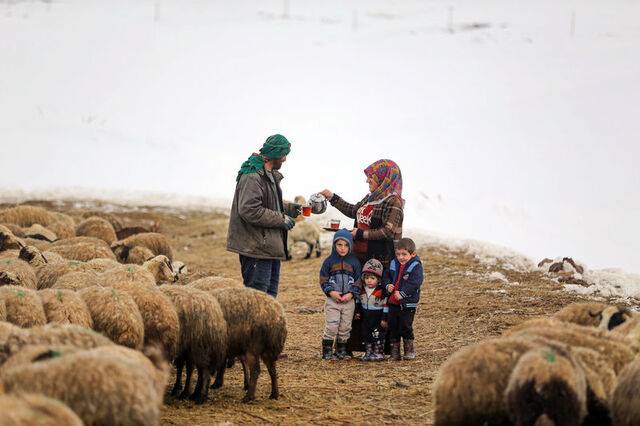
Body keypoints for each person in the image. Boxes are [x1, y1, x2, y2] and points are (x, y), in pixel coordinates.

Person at [320, 159, 404, 353]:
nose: (368, 182)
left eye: (371, 178)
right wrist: (332, 197)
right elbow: (353, 211)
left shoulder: (393, 202)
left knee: (374, 301)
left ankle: (377, 347)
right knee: (356, 300)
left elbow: (387, 232)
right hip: (359, 257)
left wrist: (358, 234)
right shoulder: (371, 198)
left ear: (383, 179)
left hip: (377, 260)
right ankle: (349, 344)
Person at [227, 134, 302, 298]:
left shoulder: (267, 173)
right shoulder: (253, 176)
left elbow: (268, 202)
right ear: (275, 154)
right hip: (256, 249)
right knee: (258, 299)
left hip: (268, 248)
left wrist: (290, 208)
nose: (285, 159)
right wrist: (281, 219)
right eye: (283, 155)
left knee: (270, 298)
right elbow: (249, 209)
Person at [319, 229, 362, 360]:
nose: (343, 248)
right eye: (339, 245)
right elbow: (323, 279)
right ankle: (327, 350)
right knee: (332, 325)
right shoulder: (328, 262)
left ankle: (341, 349)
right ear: (334, 245)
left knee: (345, 326)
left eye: (346, 245)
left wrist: (351, 294)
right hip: (333, 300)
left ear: (350, 246)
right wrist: (331, 292)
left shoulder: (354, 262)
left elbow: (359, 280)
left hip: (349, 300)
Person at [382, 237, 423, 361]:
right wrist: (387, 285)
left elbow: (415, 283)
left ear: (413, 254)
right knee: (393, 327)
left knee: (405, 326)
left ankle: (409, 350)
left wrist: (403, 294)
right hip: (393, 302)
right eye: (398, 254)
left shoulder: (415, 266)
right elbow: (386, 276)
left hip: (407, 303)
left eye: (404, 254)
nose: (401, 257)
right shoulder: (394, 263)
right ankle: (395, 352)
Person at [355, 258, 386, 361]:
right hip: (366, 317)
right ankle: (368, 352)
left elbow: (386, 305)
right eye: (367, 277)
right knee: (366, 334)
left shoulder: (381, 291)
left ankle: (378, 352)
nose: (369, 280)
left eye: (372, 278)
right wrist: (358, 312)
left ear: (378, 279)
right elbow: (358, 302)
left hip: (377, 317)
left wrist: (384, 318)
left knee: (378, 335)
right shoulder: (362, 290)